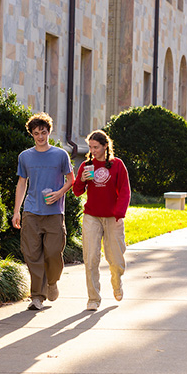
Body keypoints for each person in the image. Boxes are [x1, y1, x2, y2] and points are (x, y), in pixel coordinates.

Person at [12, 113, 74, 311]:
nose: (40, 137)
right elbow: (21, 183)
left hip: (54, 212)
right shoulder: (25, 156)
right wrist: (16, 212)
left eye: (44, 132)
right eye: (37, 133)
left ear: (49, 132)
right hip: (31, 210)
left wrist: (59, 193)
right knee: (32, 254)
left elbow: (71, 179)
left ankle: (52, 281)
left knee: (54, 253)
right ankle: (37, 296)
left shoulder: (60, 155)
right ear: (31, 134)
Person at [72, 130, 130, 312]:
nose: (93, 150)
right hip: (92, 216)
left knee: (115, 258)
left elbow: (125, 191)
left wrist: (119, 214)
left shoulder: (117, 165)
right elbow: (77, 191)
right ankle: (93, 298)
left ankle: (116, 280)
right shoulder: (86, 166)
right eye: (90, 147)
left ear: (105, 146)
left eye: (96, 147)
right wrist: (81, 180)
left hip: (113, 217)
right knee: (91, 258)